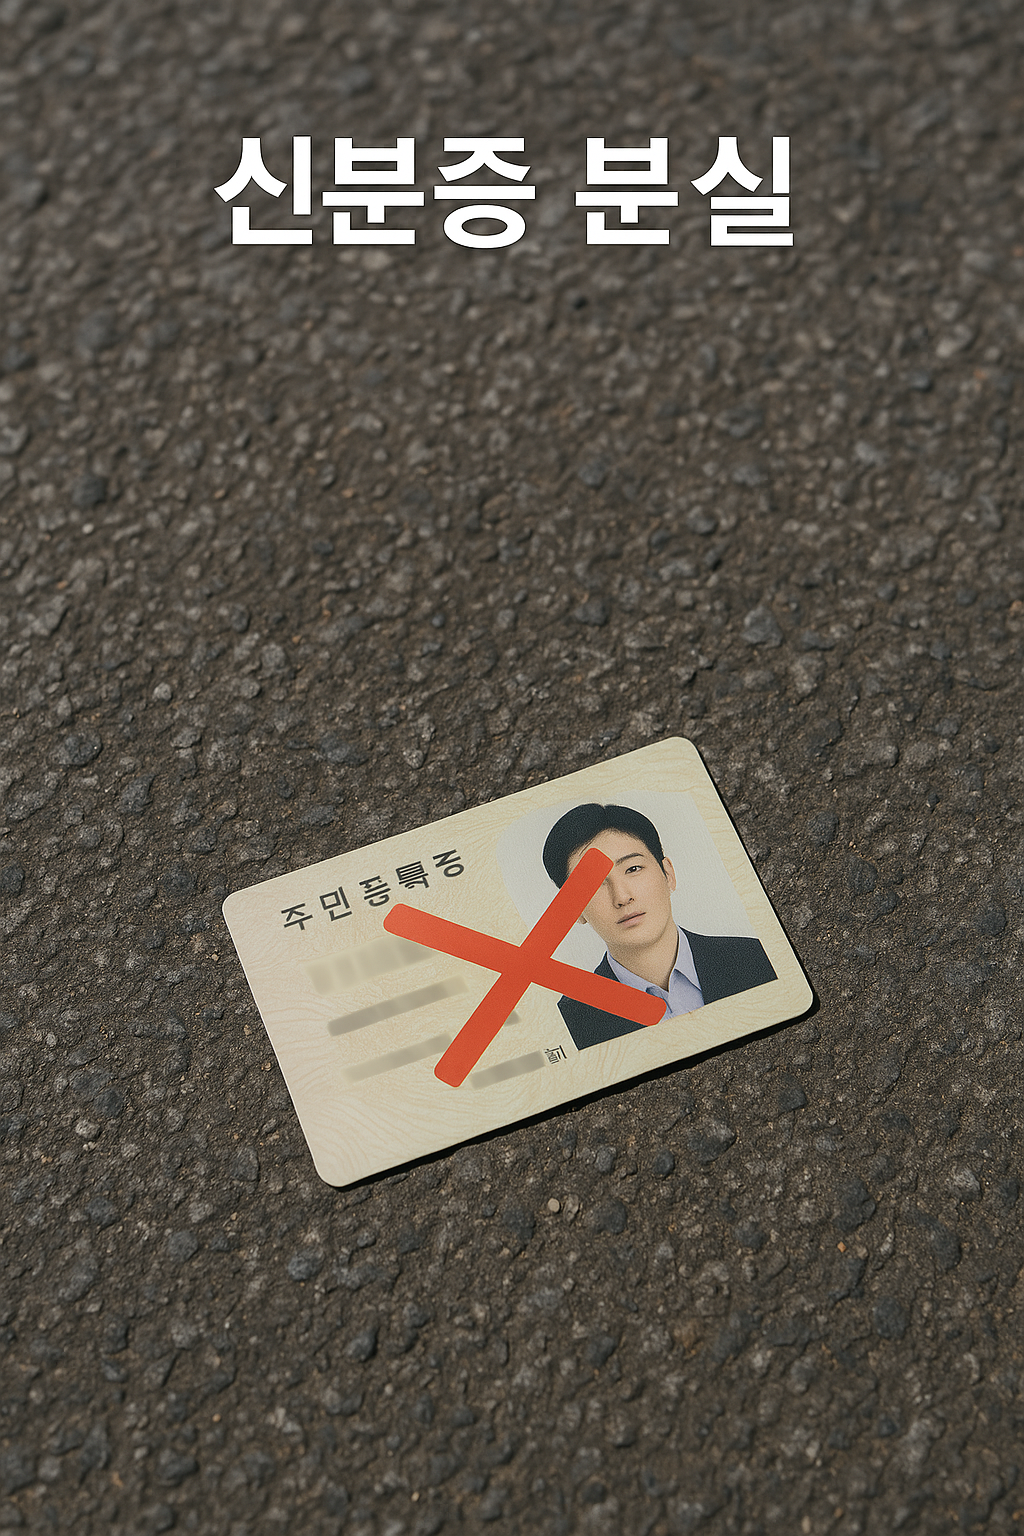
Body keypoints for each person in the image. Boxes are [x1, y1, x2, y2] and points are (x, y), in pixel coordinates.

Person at [541, 803, 777, 1052]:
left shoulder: (758, 958)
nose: (622, 897)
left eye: (633, 869)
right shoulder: (569, 1023)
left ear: (668, 874)